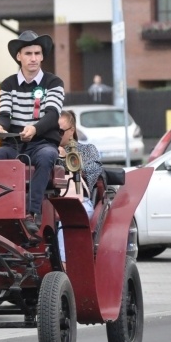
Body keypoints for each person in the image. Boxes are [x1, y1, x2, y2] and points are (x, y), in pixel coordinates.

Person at [0, 30, 65, 236]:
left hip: (42, 143)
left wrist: (35, 129)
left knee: (47, 155)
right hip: (14, 144)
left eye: (37, 53)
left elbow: (52, 114)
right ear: (19, 56)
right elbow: (4, 114)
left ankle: (32, 213)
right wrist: (0, 127)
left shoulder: (54, 82)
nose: (33, 58)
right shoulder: (8, 84)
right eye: (28, 53)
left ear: (42, 56)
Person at [57, 110, 102, 262]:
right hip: (48, 202)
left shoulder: (87, 150)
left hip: (78, 201)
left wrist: (66, 159)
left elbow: (92, 173)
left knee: (67, 217)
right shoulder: (44, 151)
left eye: (60, 131)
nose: (56, 135)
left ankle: (65, 264)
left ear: (71, 130)